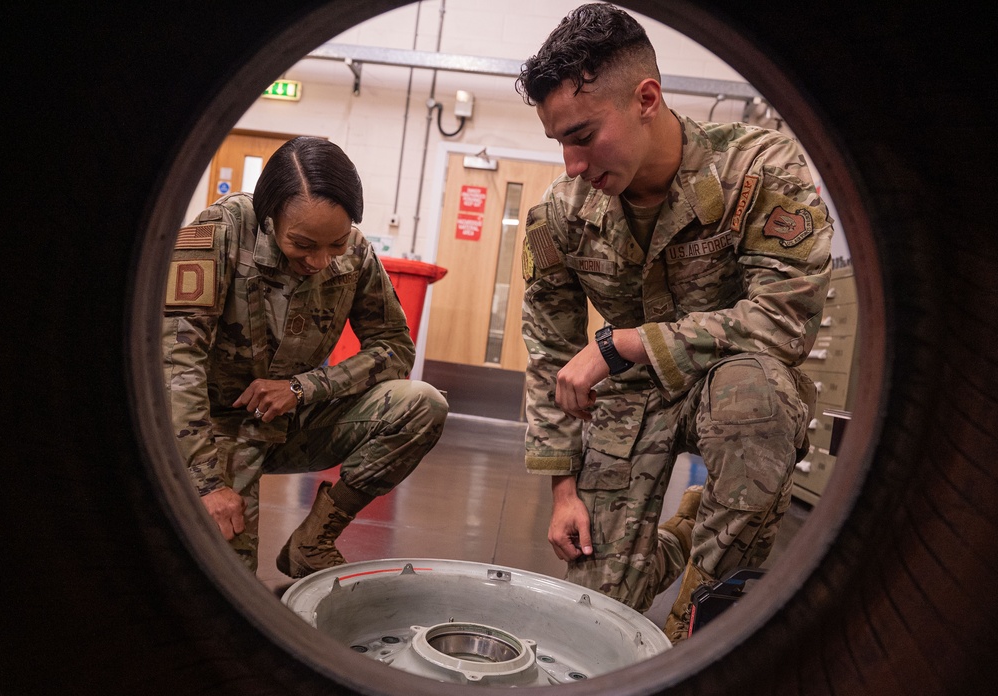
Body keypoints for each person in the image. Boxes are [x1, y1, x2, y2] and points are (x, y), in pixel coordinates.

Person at [515, 3, 832, 643]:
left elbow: (785, 318)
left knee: (757, 401)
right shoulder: (560, 215)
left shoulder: (760, 168)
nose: (573, 164)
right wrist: (562, 493)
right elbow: (549, 351)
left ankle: (702, 621)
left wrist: (626, 342)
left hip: (734, 385)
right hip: (630, 409)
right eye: (560, 144)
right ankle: (682, 535)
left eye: (583, 135)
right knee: (589, 623)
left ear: (647, 98)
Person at [162, 136, 449, 578]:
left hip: (290, 421)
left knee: (421, 404)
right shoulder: (218, 232)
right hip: (214, 427)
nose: (319, 260)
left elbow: (394, 346)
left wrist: (304, 387)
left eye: (333, 244)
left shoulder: (354, 250)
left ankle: (313, 541)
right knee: (226, 580)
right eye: (303, 244)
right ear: (268, 216)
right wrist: (205, 484)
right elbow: (177, 364)